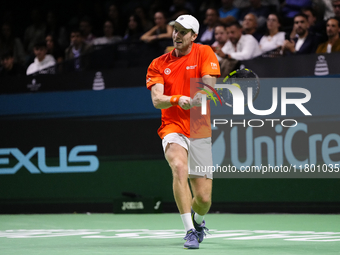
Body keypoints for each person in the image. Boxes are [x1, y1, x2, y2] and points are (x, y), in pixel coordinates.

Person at [146, 14, 220, 249]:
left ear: (194, 36)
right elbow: (157, 100)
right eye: (175, 30)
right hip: (172, 126)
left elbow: (208, 85)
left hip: (199, 126)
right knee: (179, 166)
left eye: (183, 31)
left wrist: (200, 96)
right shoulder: (158, 63)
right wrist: (178, 99)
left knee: (204, 199)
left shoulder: (204, 52)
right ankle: (189, 230)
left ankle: (198, 222)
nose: (177, 35)